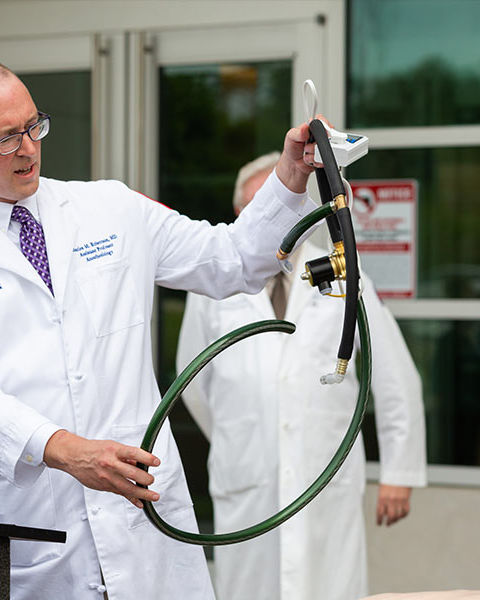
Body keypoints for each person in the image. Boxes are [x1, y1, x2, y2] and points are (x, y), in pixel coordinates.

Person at [0, 57, 322, 600]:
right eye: (4, 139)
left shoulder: (111, 207)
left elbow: (232, 259)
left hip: (142, 524)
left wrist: (289, 179)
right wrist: (65, 449)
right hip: (26, 536)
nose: (27, 148)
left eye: (32, 126)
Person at [176, 152, 427, 600]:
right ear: (241, 215)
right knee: (248, 587)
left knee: (328, 585)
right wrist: (248, 433)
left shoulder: (348, 276)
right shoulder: (213, 287)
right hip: (247, 475)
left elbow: (394, 378)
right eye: (261, 206)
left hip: (323, 470)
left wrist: (399, 471)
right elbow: (193, 383)